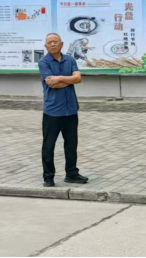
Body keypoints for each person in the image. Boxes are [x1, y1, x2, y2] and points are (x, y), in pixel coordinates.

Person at [39, 33, 89, 188]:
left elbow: (78, 78)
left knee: (71, 144)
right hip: (53, 111)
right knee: (49, 145)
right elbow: (52, 84)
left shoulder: (70, 60)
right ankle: (48, 177)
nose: (53, 44)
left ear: (61, 44)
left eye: (56, 41)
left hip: (71, 109)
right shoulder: (43, 62)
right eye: (49, 42)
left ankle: (71, 173)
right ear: (46, 46)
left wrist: (59, 78)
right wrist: (69, 79)